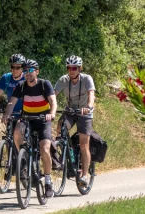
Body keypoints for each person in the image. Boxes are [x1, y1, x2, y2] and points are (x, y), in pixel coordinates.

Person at [2, 59, 57, 198]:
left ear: (37, 71)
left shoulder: (45, 84)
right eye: (25, 71)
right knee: (16, 132)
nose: (27, 73)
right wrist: (7, 115)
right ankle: (24, 160)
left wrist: (52, 114)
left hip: (43, 120)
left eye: (30, 70)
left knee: (45, 149)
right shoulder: (21, 86)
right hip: (27, 118)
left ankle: (48, 181)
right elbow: (11, 102)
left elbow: (53, 101)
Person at [54, 55, 95, 187]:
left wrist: (88, 107)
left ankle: (84, 175)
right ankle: (64, 148)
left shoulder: (87, 79)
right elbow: (53, 95)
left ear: (80, 68)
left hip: (85, 113)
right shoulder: (63, 80)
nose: (71, 70)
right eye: (69, 68)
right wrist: (50, 109)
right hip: (70, 111)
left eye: (74, 68)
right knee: (60, 125)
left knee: (84, 144)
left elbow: (91, 95)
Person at [0, 53, 26, 120]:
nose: (15, 70)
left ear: (22, 68)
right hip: (10, 112)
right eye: (13, 67)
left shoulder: (26, 78)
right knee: (9, 129)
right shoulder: (6, 78)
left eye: (18, 67)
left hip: (26, 112)